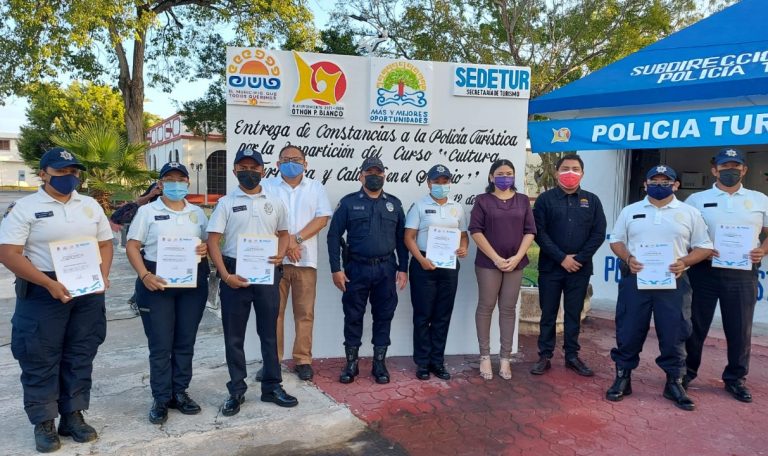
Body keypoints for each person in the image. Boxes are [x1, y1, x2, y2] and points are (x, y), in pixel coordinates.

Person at [0, 147, 114, 453]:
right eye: (61, 172)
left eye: (73, 172)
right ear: (43, 174)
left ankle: (73, 415)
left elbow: (105, 244)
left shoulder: (89, 205)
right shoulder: (24, 208)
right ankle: (44, 421)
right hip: (43, 289)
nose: (69, 177)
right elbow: (8, 253)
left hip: (86, 289)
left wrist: (102, 275)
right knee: (39, 354)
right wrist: (47, 283)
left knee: (80, 352)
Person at [607, 165, 712, 411]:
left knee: (675, 332)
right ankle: (623, 377)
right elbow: (616, 240)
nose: (660, 185)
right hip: (636, 280)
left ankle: (674, 382)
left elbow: (705, 247)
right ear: (645, 184)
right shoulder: (630, 211)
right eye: (654, 180)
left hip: (674, 282)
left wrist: (685, 262)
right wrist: (628, 258)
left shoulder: (689, 213)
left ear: (676, 185)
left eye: (666, 181)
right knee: (629, 329)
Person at [207, 147, 298, 416]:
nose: (249, 172)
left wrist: (280, 253)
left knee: (269, 333)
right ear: (235, 171)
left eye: (254, 168)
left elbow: (284, 233)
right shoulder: (225, 203)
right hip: (234, 274)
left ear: (263, 170)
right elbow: (213, 241)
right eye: (243, 168)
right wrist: (225, 276)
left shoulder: (275, 201)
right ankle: (236, 390)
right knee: (234, 336)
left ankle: (272, 386)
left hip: (266, 273)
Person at [126, 162, 210, 424]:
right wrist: (145, 275)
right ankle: (161, 397)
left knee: (185, 341)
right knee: (161, 344)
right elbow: (132, 246)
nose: (176, 183)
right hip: (156, 282)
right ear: (160, 184)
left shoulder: (197, 213)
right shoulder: (147, 211)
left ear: (187, 183)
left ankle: (180, 392)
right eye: (169, 179)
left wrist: (204, 248)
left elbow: (207, 242)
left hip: (191, 283)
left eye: (180, 179)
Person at [684, 148, 768, 403]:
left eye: (735, 166)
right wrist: (700, 251)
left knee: (739, 328)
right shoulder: (696, 200)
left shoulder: (759, 199)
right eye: (724, 167)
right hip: (703, 270)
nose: (730, 171)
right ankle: (685, 373)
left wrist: (763, 250)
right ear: (715, 170)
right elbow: (684, 233)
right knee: (694, 325)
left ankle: (735, 378)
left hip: (742, 273)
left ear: (744, 169)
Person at [327, 157, 409, 385]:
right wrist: (336, 269)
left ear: (384, 175)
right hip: (356, 268)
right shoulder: (348, 203)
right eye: (369, 172)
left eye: (378, 172)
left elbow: (402, 240)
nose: (374, 176)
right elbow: (333, 236)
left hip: (386, 268)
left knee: (384, 315)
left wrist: (403, 268)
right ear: (360, 176)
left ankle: (379, 363)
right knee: (353, 315)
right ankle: (351, 364)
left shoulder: (394, 204)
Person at [261, 145, 332, 381]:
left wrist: (295, 239)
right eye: (286, 159)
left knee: (305, 313)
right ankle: (273, 362)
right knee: (274, 314)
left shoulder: (315, 187)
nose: (291, 163)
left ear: (305, 163)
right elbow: (262, 218)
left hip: (306, 260)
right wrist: (286, 245)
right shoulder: (266, 186)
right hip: (275, 261)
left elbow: (322, 219)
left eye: (296, 159)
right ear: (277, 164)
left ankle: (303, 360)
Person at [531, 154, 606, 377]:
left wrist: (579, 259)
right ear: (556, 172)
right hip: (550, 268)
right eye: (565, 168)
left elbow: (598, 233)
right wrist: (562, 258)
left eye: (575, 168)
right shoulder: (545, 200)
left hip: (579, 270)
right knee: (548, 313)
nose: (570, 172)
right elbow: (539, 232)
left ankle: (572, 356)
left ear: (582, 173)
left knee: (574, 314)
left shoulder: (592, 201)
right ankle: (545, 355)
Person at [469, 159, 536, 380]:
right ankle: (485, 356)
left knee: (508, 308)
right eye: (500, 173)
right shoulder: (483, 200)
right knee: (486, 306)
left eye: (509, 173)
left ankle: (505, 358)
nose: (505, 177)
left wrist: (517, 257)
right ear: (491, 177)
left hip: (515, 263)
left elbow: (530, 231)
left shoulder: (522, 200)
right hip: (489, 263)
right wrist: (496, 258)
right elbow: (476, 231)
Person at [404, 164, 469, 380]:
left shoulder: (457, 207)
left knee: (442, 315)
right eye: (436, 181)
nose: (441, 185)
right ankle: (422, 363)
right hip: (423, 264)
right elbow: (408, 237)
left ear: (450, 182)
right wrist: (421, 260)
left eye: (445, 181)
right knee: (423, 315)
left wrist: (464, 248)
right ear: (428, 183)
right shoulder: (419, 206)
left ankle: (437, 362)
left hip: (448, 266)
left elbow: (463, 236)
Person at [110, 182, 162, 315]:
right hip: (147, 235)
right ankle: (136, 300)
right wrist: (151, 194)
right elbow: (139, 201)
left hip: (169, 245)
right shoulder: (155, 187)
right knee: (144, 271)